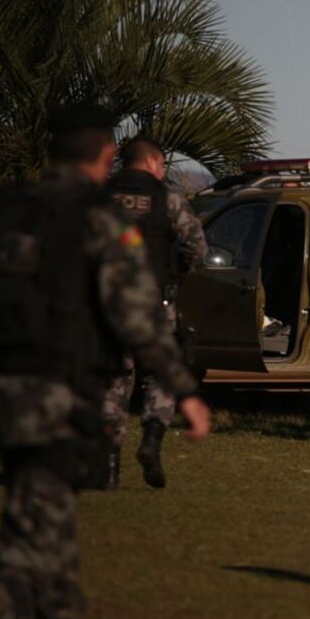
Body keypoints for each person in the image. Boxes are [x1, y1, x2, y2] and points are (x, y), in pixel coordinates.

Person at [0, 105, 211, 619]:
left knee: (47, 514)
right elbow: (136, 315)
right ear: (105, 156)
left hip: (2, 391)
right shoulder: (95, 218)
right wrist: (183, 390)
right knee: (28, 532)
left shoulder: (7, 207)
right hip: (56, 392)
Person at [101, 137, 207, 489]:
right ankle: (151, 440)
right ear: (151, 163)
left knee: (114, 381)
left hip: (107, 305)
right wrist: (179, 270)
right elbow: (196, 245)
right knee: (160, 376)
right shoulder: (166, 198)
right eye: (162, 165)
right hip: (155, 303)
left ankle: (110, 466)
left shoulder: (100, 195)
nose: (162, 171)